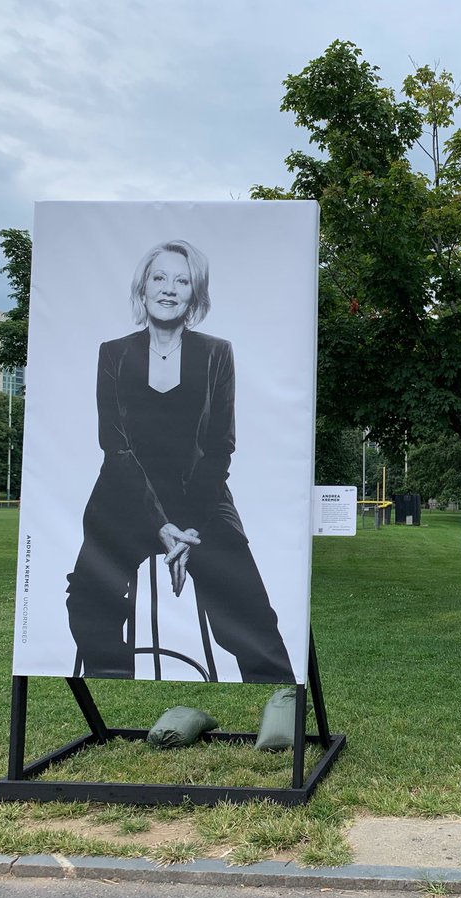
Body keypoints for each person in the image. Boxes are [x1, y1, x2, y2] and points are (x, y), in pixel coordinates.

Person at [65, 239, 294, 683]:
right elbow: (114, 446)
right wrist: (160, 524)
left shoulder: (217, 352)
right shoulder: (113, 353)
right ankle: (115, 693)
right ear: (143, 288)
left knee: (250, 609)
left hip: (202, 502)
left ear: (195, 294)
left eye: (182, 280)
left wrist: (187, 529)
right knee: (89, 599)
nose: (169, 289)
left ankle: (283, 701)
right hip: (123, 499)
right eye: (159, 278)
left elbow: (220, 445)